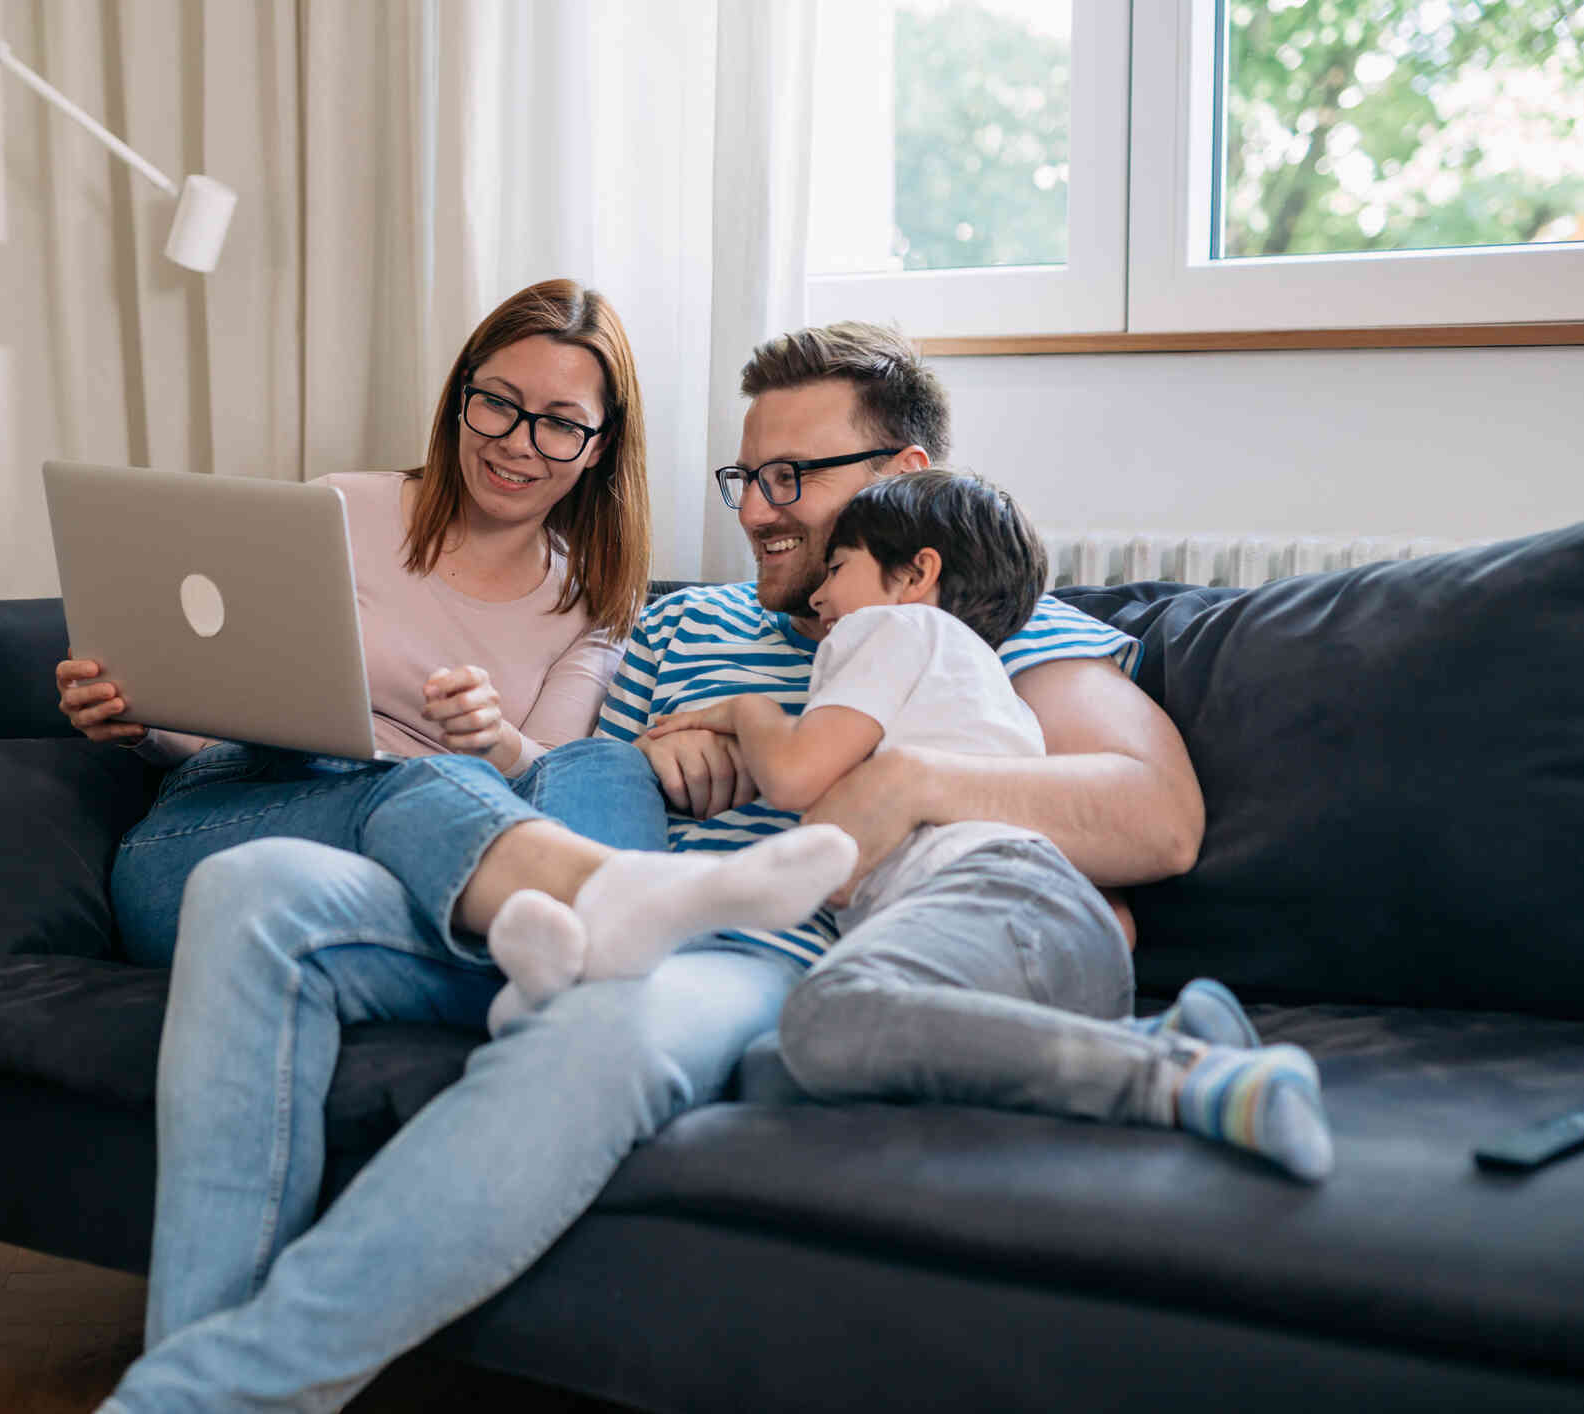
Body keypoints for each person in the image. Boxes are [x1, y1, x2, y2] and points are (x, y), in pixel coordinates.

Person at [96, 321, 1212, 1413]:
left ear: (903, 476)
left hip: (758, 948)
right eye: (746, 477)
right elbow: (566, 781)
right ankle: (199, 1360)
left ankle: (206, 1393)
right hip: (575, 904)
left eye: (791, 477)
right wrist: (649, 753)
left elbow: (1156, 817)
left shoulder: (986, 624)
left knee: (610, 1023)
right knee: (248, 887)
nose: (759, 513)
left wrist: (904, 780)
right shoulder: (685, 626)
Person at [503, 468, 1323, 1181]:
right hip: (1044, 946)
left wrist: (747, 713)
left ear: (914, 574)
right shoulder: (961, 676)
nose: (819, 595)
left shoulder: (893, 629)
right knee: (774, 1071)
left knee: (822, 1018)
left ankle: (1176, 1077)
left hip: (991, 898)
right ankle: (1168, 1031)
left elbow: (798, 782)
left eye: (839, 567)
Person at [56, 278, 671, 967]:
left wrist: (496, 741)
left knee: (609, 768)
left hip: (409, 882)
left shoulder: (598, 603)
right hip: (233, 821)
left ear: (598, 445)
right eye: (497, 403)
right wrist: (138, 714)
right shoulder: (337, 509)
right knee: (432, 781)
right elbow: (212, 715)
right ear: (461, 396)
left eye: (560, 422)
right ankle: (640, 915)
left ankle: (567, 950)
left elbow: (556, 789)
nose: (517, 443)